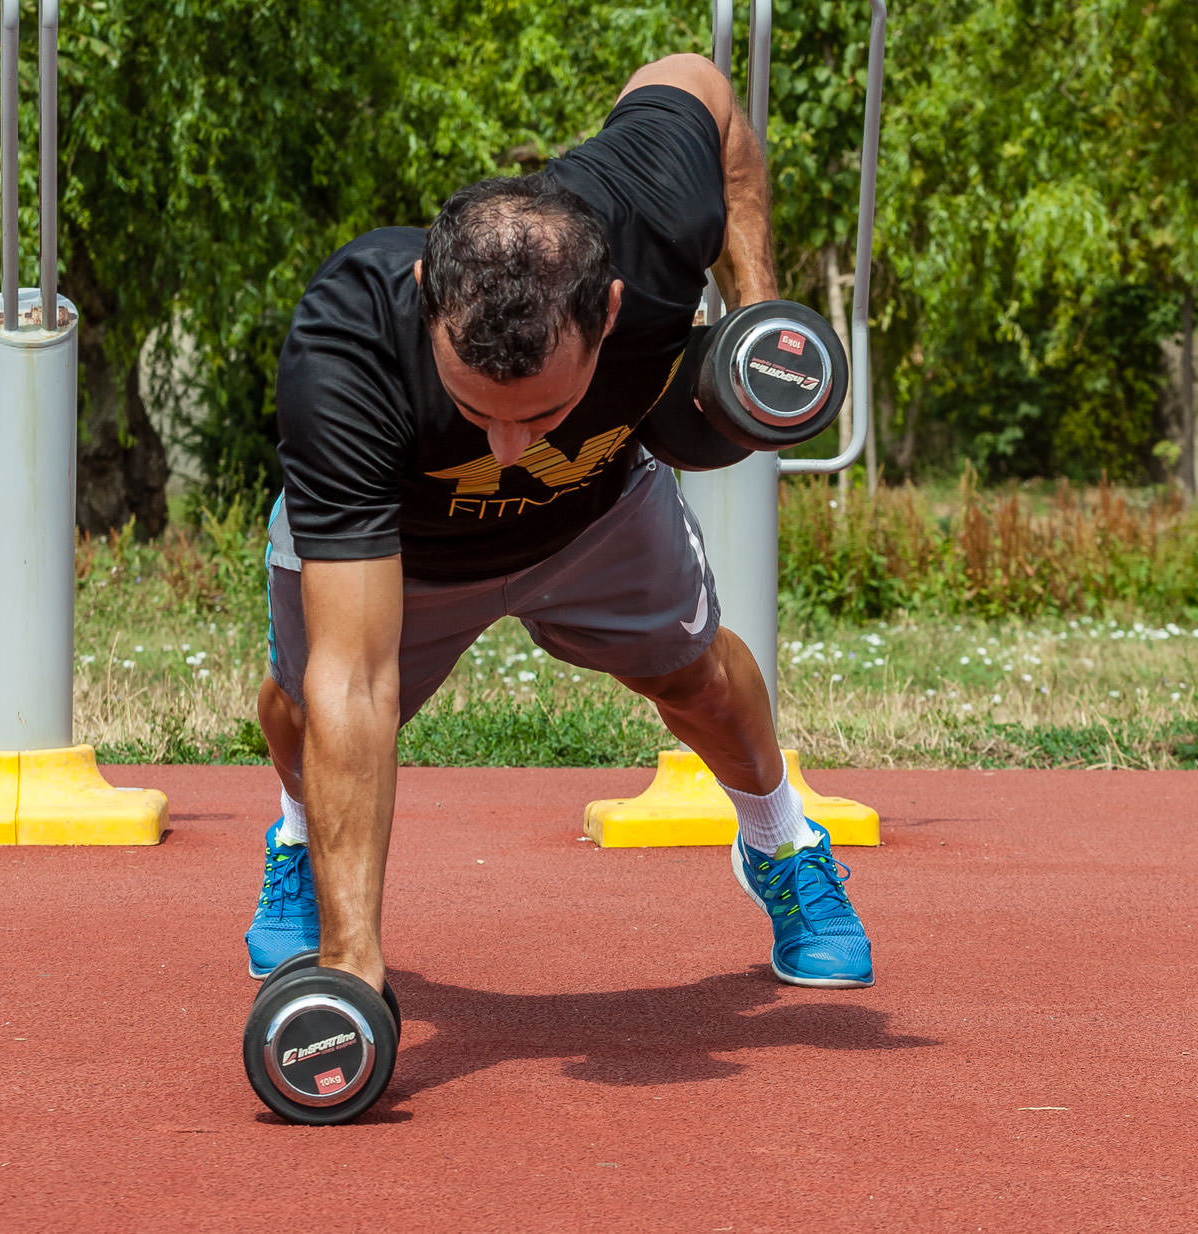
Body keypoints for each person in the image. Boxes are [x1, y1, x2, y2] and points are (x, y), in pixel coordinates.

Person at [246, 53, 873, 994]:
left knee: (699, 681)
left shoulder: (651, 216)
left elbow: (702, 85)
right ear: (427, 296)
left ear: (609, 308)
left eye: (536, 414)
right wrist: (351, 975)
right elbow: (357, 680)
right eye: (476, 408)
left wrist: (756, 309)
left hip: (597, 513)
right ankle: (303, 841)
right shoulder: (347, 349)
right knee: (312, 713)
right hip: (405, 551)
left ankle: (782, 842)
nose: (506, 447)